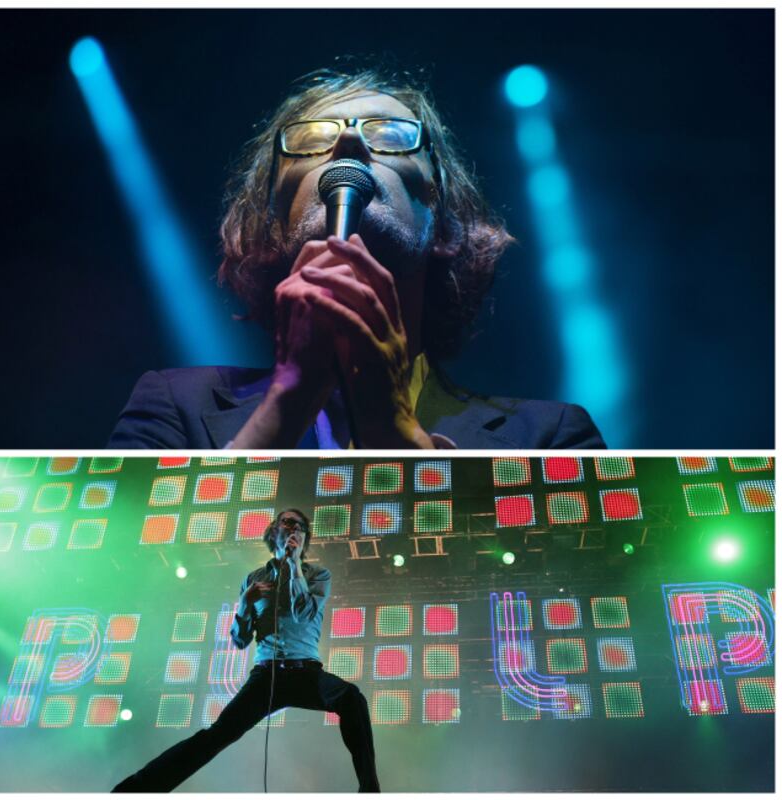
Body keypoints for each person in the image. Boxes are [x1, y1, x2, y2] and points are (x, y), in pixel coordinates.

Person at [108, 66, 605, 449]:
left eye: (389, 135)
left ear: (445, 228)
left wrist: (393, 435)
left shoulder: (549, 437)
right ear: (272, 228)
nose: (347, 142)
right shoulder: (175, 405)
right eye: (311, 140)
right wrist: (283, 411)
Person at [113, 509, 380, 793]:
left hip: (306, 672)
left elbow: (302, 613)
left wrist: (293, 565)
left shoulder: (317, 575)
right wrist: (244, 602)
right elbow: (240, 641)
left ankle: (370, 791)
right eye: (286, 521)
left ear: (303, 538)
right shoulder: (255, 578)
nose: (292, 527)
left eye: (299, 525)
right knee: (215, 735)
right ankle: (137, 789)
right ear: (273, 530)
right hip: (265, 676)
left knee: (351, 698)